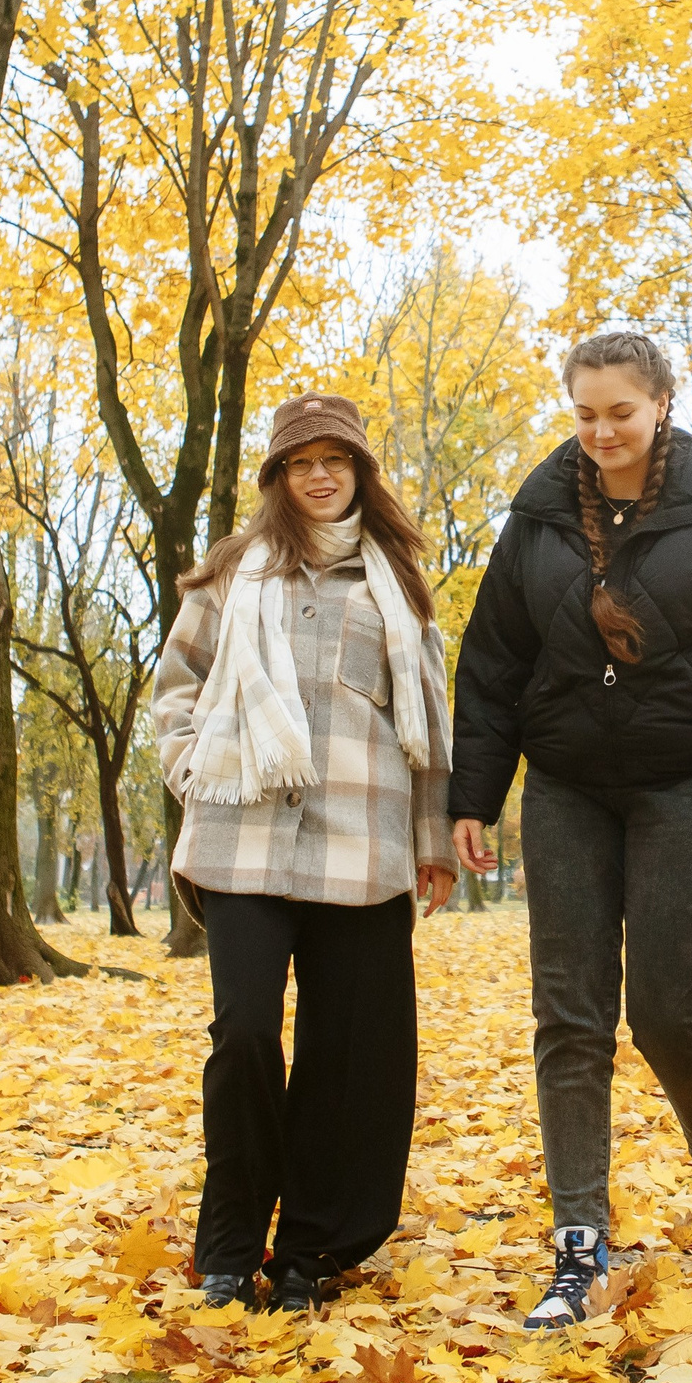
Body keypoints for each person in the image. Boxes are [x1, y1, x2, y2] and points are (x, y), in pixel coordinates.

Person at [450, 330, 692, 1328]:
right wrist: (474, 796)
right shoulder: (533, 523)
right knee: (570, 1016)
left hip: (686, 785)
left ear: (661, 407)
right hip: (564, 787)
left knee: (669, 1007)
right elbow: (492, 668)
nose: (602, 430)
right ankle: (579, 1245)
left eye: (621, 412)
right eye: (585, 412)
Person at [153, 393, 458, 1314]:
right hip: (241, 841)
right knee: (243, 1035)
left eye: (337, 460)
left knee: (346, 1052)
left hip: (361, 850)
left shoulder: (398, 588)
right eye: (301, 462)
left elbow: (433, 725)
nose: (320, 475)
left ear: (361, 471)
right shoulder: (228, 577)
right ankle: (229, 1242)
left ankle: (311, 1249)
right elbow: (176, 686)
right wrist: (190, 763)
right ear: (278, 479)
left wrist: (433, 838)